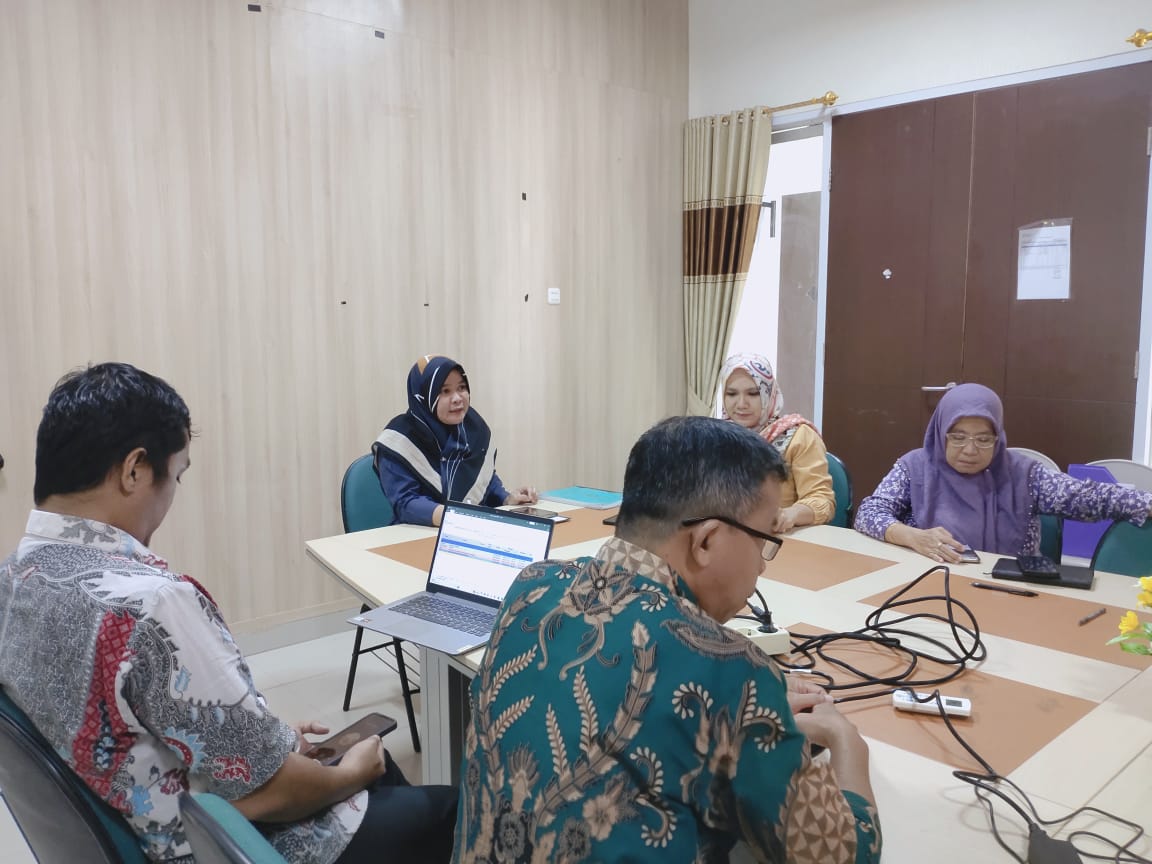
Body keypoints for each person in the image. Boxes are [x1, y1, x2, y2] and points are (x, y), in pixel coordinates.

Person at [0, 363, 458, 863]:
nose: (171, 499)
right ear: (134, 470)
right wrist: (349, 773)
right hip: (224, 844)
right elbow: (277, 789)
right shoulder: (151, 605)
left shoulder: (11, 581)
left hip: (128, 829)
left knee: (368, 773)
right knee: (442, 804)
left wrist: (268, 739)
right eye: (175, 477)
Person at [453, 416, 881, 864]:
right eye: (765, 539)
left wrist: (751, 708)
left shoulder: (532, 585)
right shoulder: (731, 670)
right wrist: (844, 739)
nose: (763, 565)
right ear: (706, 542)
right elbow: (848, 854)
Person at [854, 382, 1152, 562]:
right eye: (957, 437)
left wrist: (1146, 502)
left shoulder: (1024, 475)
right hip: (925, 585)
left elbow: (1088, 497)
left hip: (1009, 592)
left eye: (984, 439)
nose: (970, 450)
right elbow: (869, 513)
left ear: (999, 437)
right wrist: (913, 537)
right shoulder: (915, 467)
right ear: (940, 432)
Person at [374, 355, 537, 526]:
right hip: (416, 536)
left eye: (461, 388)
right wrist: (455, 517)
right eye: (445, 391)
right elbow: (406, 503)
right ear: (423, 396)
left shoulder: (473, 428)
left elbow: (483, 480)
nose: (458, 398)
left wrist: (506, 499)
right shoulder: (399, 441)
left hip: (470, 531)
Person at [718, 353, 835, 533]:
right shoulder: (715, 437)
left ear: (769, 393)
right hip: (726, 538)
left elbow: (822, 500)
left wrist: (791, 514)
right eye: (732, 394)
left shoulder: (798, 436)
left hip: (780, 539)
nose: (741, 404)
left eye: (753, 393)